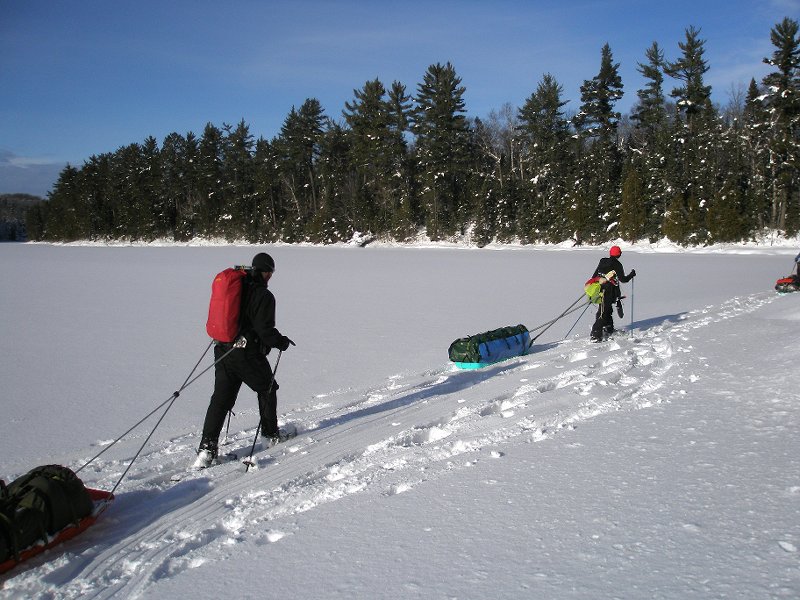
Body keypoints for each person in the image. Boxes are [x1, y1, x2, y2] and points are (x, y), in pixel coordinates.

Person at [194, 252, 294, 469]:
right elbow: (264, 330)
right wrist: (281, 342)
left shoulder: (238, 287)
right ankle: (270, 435)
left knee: (221, 399)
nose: (270, 277)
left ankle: (206, 450)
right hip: (246, 353)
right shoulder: (263, 295)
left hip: (222, 350)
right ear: (266, 272)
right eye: (270, 273)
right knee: (267, 388)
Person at [589, 245, 636, 342]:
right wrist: (631, 275)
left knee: (607, 310)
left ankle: (609, 329)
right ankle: (595, 335)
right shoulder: (617, 264)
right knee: (603, 312)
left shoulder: (602, 261)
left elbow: (594, 276)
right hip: (608, 291)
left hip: (599, 289)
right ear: (619, 254)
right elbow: (623, 279)